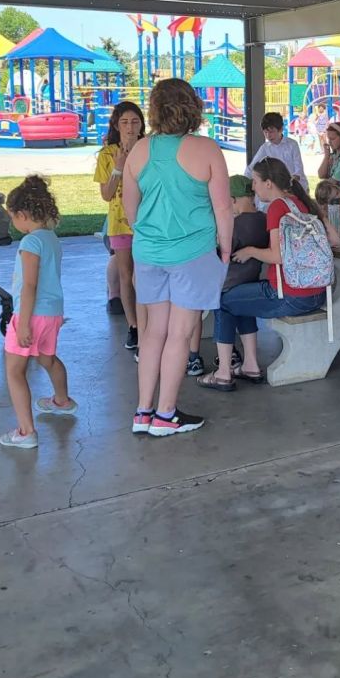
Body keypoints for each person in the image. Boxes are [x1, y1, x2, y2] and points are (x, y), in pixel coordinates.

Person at [122, 78, 233, 436]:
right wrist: (226, 249)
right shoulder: (207, 149)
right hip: (193, 252)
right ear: (192, 107)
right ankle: (166, 415)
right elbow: (223, 208)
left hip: (149, 252)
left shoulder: (139, 150)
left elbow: (129, 208)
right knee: (180, 334)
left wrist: (150, 236)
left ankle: (143, 412)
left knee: (153, 332)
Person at [201, 158, 337, 391]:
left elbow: (278, 256)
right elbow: (334, 240)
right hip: (317, 293)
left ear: (268, 183)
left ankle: (223, 373)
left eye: (255, 181)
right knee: (242, 299)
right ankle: (250, 366)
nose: (253, 188)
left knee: (222, 301)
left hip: (288, 295)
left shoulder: (277, 208)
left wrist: (250, 251)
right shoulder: (302, 202)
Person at [2, 176, 76, 449]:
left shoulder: (30, 243)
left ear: (22, 214)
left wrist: (22, 324)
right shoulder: (51, 239)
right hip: (52, 313)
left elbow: (29, 285)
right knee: (48, 359)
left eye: (12, 217)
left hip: (30, 314)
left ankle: (26, 431)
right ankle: (62, 401)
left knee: (14, 371)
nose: (13, 223)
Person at [196, 175, 269, 381]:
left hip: (228, 284)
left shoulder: (235, 225)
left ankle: (223, 371)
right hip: (251, 281)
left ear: (233, 199)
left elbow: (220, 252)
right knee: (246, 315)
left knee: (222, 309)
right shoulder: (263, 220)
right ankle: (251, 364)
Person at [94, 101, 146, 352]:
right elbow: (106, 194)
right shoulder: (107, 154)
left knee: (144, 275)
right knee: (126, 275)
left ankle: (149, 323)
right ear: (116, 125)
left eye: (135, 121)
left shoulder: (148, 150)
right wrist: (118, 167)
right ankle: (134, 325)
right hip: (120, 223)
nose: (130, 127)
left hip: (147, 222)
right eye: (124, 122)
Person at [245, 112, 307, 192]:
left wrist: (292, 181)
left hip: (297, 188)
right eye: (265, 132)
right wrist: (244, 180)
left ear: (280, 129)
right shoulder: (265, 148)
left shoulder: (292, 145)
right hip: (277, 189)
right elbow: (251, 167)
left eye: (271, 132)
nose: (268, 135)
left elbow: (298, 169)